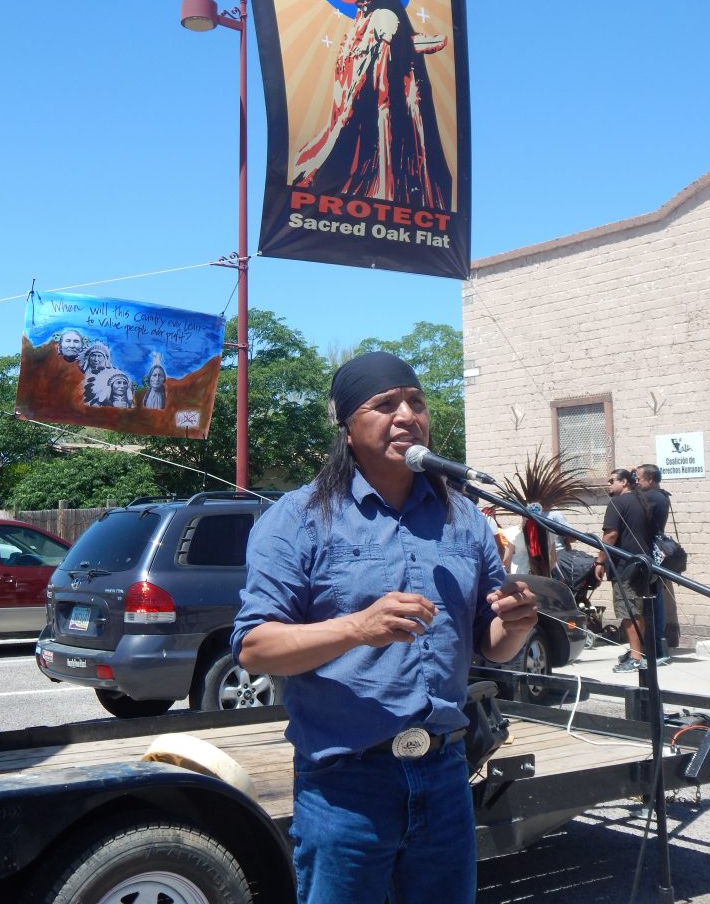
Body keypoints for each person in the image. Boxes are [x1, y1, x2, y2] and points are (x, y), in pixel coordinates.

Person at [231, 351, 536, 904]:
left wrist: (516, 624)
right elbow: (255, 647)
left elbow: (492, 646)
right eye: (384, 404)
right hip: (345, 784)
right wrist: (357, 628)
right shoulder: (298, 518)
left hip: (445, 772)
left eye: (416, 402)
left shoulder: (464, 517)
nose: (406, 416)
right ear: (347, 426)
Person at [293, 0, 452, 209]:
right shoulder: (362, 19)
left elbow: (368, 95)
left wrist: (324, 155)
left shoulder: (383, 19)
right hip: (359, 144)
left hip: (377, 150)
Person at [594, 468, 654, 673]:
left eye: (612, 481)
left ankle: (636, 658)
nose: (608, 485)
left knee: (629, 612)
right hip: (643, 564)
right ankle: (637, 652)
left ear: (625, 482)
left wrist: (600, 561)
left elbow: (610, 535)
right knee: (637, 611)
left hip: (625, 567)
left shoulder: (617, 503)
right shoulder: (642, 501)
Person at [636, 463, 672, 664]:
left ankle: (657, 646)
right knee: (654, 597)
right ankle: (655, 644)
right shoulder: (661, 496)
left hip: (651, 553)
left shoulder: (653, 497)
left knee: (653, 598)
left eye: (639, 478)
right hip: (652, 552)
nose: (637, 482)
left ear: (650, 479)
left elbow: (631, 502)